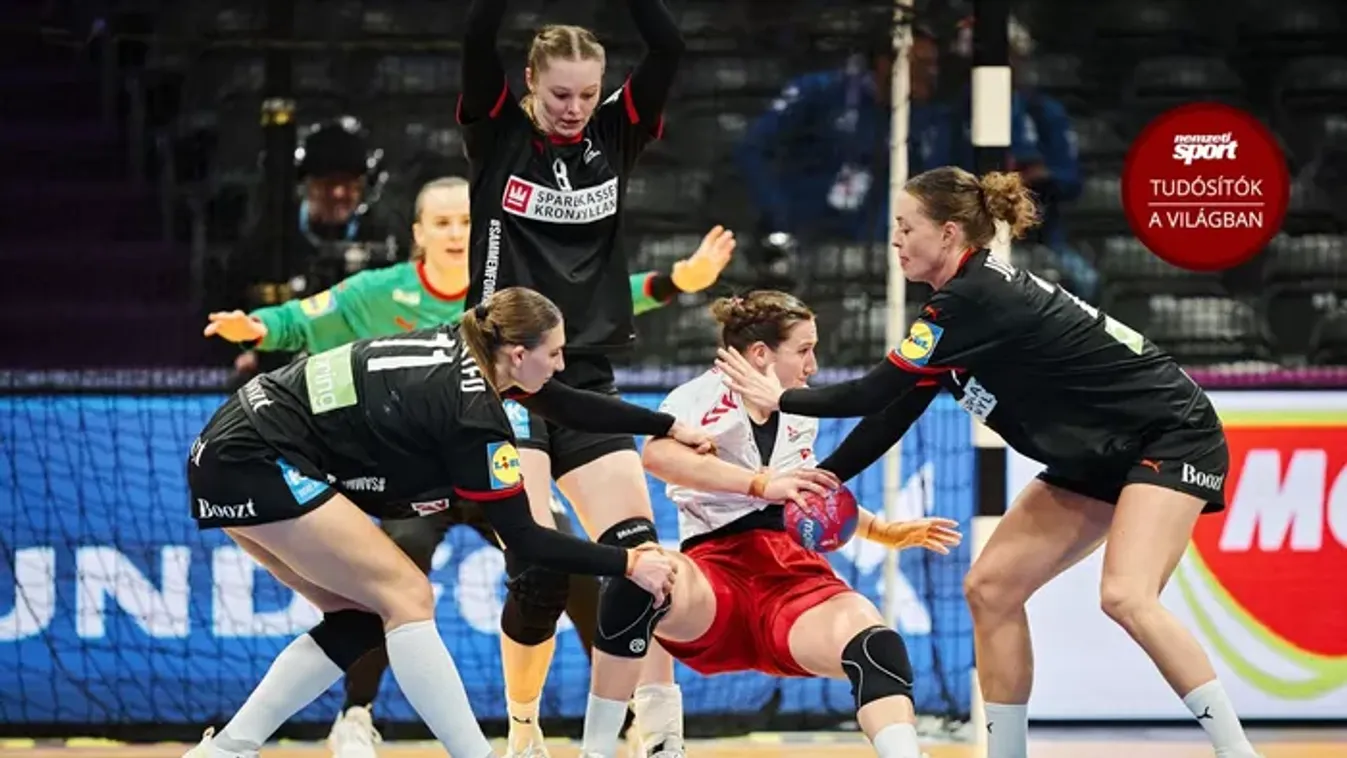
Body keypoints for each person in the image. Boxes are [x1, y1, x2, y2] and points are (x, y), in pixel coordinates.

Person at [714, 167, 1266, 758]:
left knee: (1126, 595)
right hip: (1095, 455)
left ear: (948, 233)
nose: (895, 239)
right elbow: (893, 413)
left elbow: (871, 393)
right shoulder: (955, 306)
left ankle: (1238, 752)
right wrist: (823, 479)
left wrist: (782, 398)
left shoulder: (973, 297)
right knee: (991, 589)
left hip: (1169, 434)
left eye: (907, 227)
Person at [200, 175, 734, 758]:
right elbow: (527, 539)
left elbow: (563, 401)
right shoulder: (473, 413)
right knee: (407, 595)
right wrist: (628, 562)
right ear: (519, 354)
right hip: (258, 454)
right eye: (556, 354)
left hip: (235, 445)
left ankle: (226, 750)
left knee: (360, 613)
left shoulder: (471, 341)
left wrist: (665, 424)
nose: (563, 366)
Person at [458, 2, 693, 756]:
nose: (574, 108)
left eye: (588, 93)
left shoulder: (615, 134)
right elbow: (475, 34)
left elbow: (667, 44)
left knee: (645, 560)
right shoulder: (498, 130)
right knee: (538, 572)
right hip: (502, 374)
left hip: (584, 370)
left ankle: (656, 728)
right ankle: (522, 728)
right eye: (560, 93)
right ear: (529, 81)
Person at [608, 291, 962, 758]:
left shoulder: (800, 411)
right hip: (717, 574)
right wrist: (758, 484)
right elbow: (657, 456)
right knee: (645, 578)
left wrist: (880, 530)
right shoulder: (699, 397)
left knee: (878, 647)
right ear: (761, 354)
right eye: (804, 350)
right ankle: (658, 743)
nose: (813, 365)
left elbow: (806, 490)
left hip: (792, 577)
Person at [219, 116, 399, 381]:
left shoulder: (382, 236)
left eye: (349, 183)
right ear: (306, 184)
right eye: (328, 182)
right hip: (279, 368)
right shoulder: (270, 234)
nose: (338, 193)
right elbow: (228, 302)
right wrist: (241, 352)